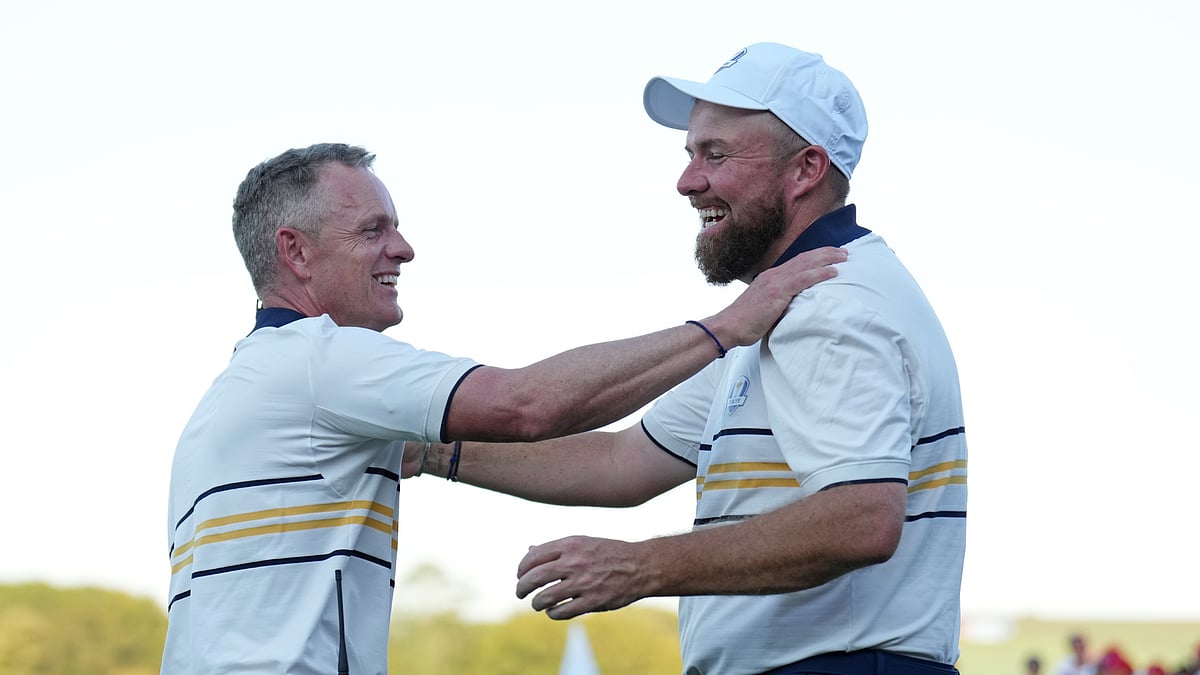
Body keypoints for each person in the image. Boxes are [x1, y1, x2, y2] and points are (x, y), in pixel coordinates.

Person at [159, 142, 843, 674]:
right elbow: (527, 405)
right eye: (373, 229)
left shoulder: (241, 391)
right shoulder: (318, 359)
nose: (403, 248)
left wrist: (432, 454)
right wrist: (731, 323)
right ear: (295, 252)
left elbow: (611, 459)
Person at [408, 43, 968, 674]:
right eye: (690, 153)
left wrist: (639, 568)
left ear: (808, 168)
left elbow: (862, 519)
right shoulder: (779, 308)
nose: (687, 180)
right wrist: (430, 453)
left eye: (716, 154)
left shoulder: (832, 306)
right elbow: (624, 462)